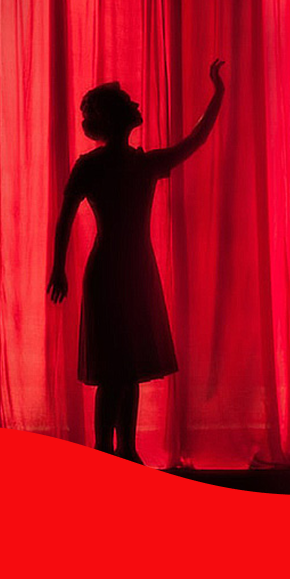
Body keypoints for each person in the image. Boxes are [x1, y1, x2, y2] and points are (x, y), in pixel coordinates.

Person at [47, 60, 225, 462]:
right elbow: (65, 217)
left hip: (132, 270)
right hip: (116, 271)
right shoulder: (108, 165)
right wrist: (57, 267)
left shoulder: (130, 164)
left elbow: (196, 140)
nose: (135, 105)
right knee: (117, 370)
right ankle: (107, 450)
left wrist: (218, 94)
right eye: (127, 102)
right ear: (114, 118)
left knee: (126, 369)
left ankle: (125, 449)